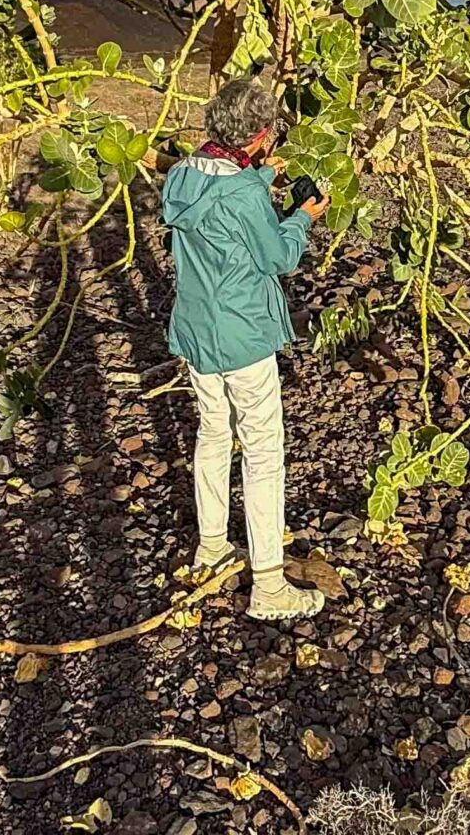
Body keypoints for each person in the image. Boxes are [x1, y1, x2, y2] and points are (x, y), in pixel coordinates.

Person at [159, 77, 329, 621]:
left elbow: (218, 201)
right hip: (243, 335)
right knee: (263, 452)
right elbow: (278, 257)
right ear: (259, 135)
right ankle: (269, 585)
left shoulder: (182, 175)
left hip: (196, 330)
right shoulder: (245, 192)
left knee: (213, 432)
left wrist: (261, 174)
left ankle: (211, 547)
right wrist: (303, 218)